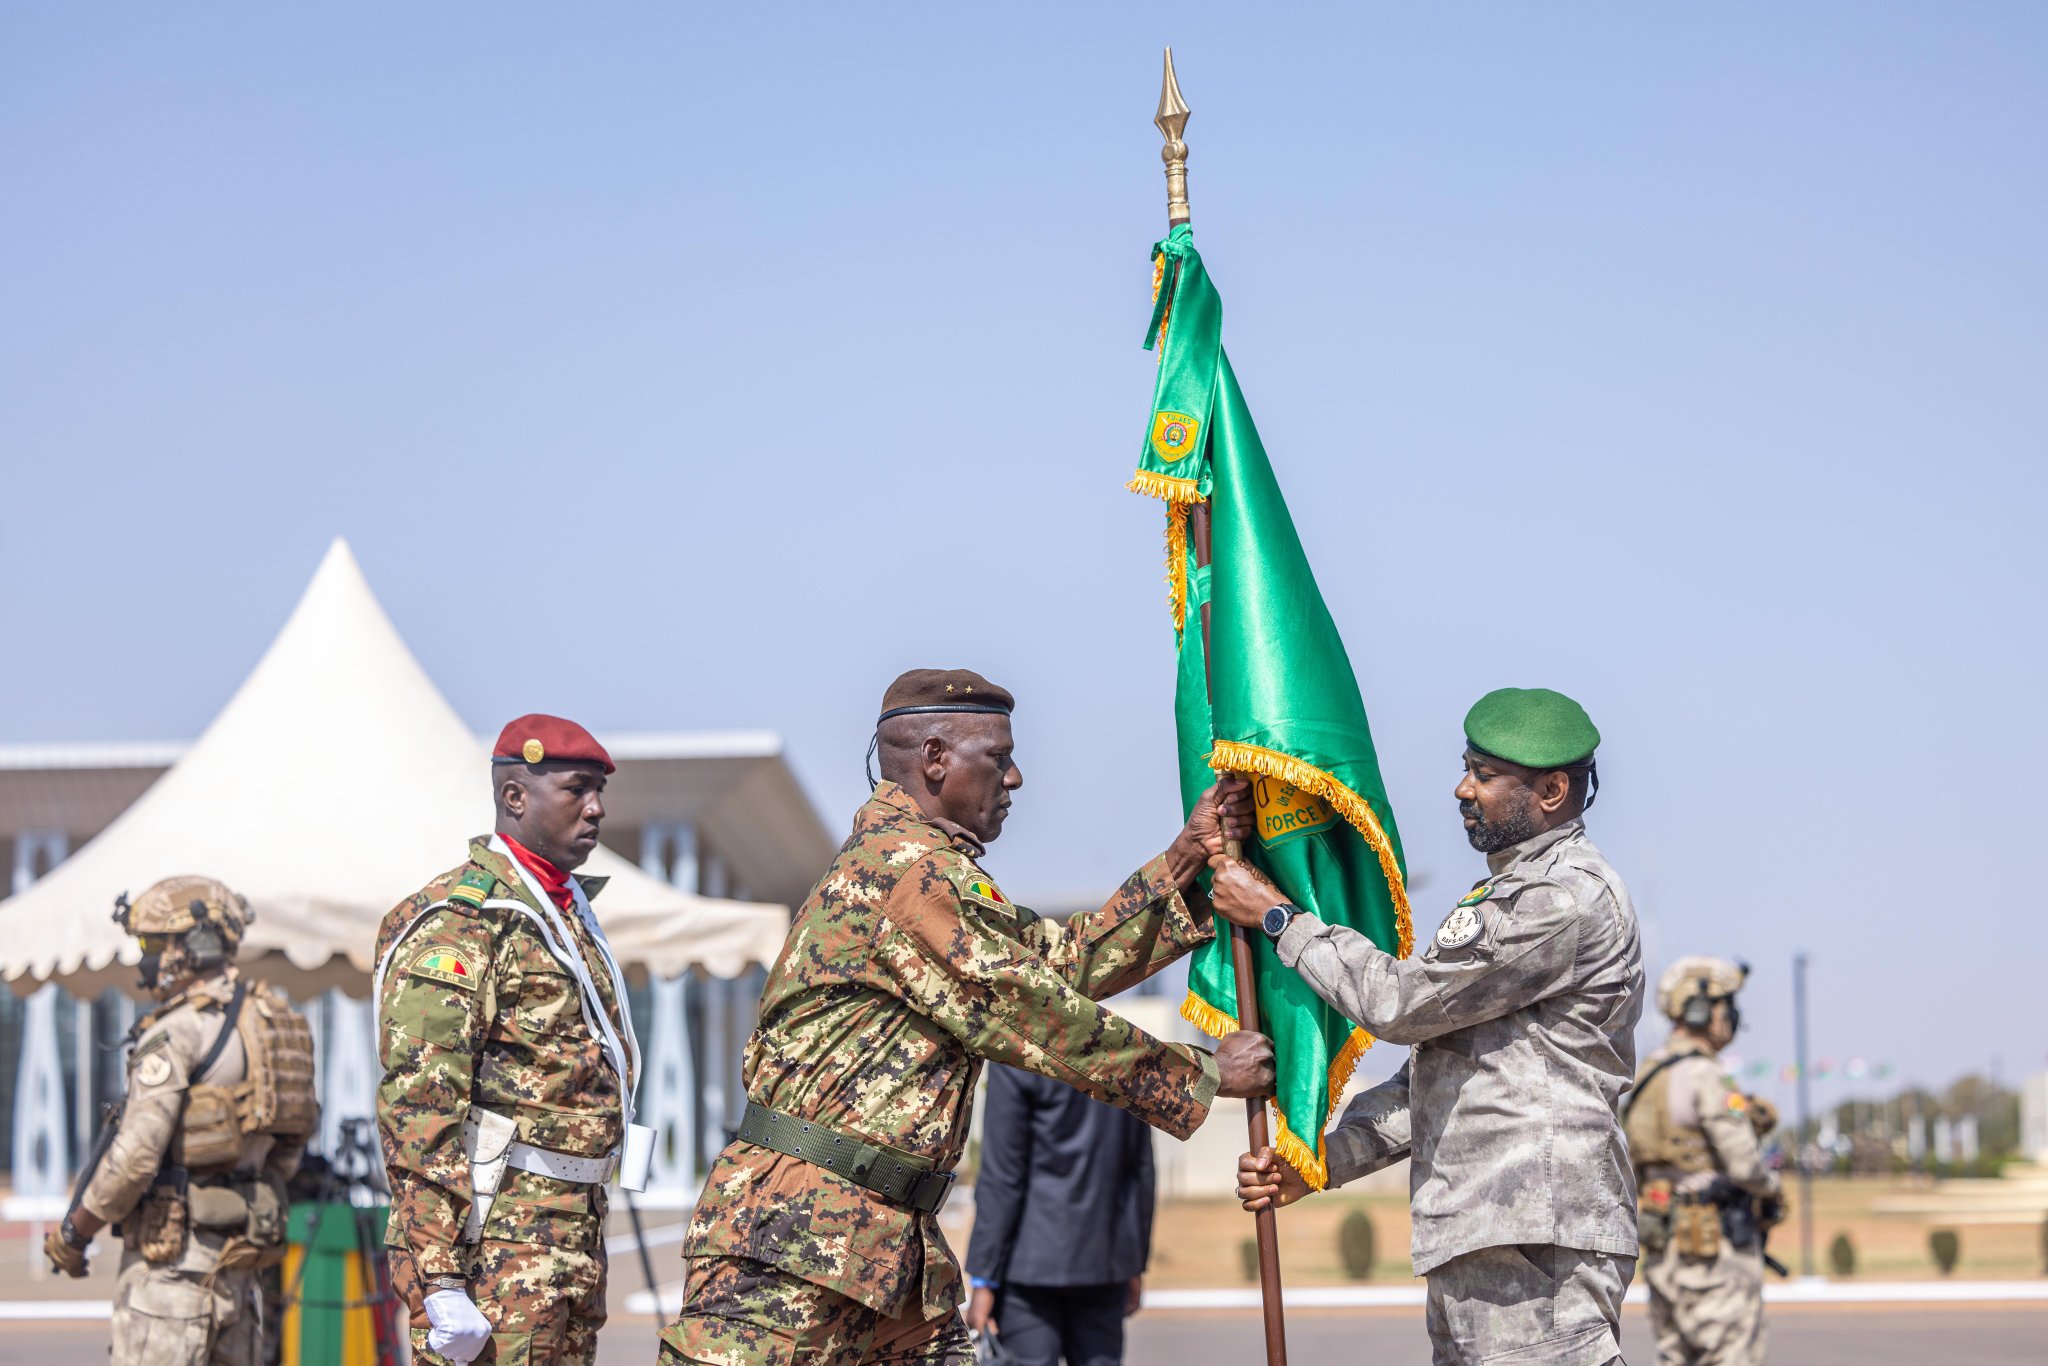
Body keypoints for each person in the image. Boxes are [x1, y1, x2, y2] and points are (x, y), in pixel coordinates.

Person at [662, 668, 1276, 1366]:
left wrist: (1185, 861)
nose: (1014, 778)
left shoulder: (921, 871)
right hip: (796, 1244)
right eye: (999, 757)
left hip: (875, 1243)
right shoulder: (911, 875)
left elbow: (1054, 967)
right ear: (935, 758)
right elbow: (1039, 1012)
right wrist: (1203, 1073)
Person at [1218, 687, 1644, 1366]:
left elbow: (1399, 1004)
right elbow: (1440, 1072)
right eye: (1467, 768)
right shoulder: (1512, 892)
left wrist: (1280, 919)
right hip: (1488, 1230)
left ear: (1552, 790)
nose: (1462, 789)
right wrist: (1323, 1162)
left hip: (1535, 1238)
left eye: (1485, 775)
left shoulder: (1560, 896)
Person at [376, 714, 645, 1365]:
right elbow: (419, 1107)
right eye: (577, 788)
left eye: (600, 791)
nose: (597, 808)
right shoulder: (464, 920)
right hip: (494, 1246)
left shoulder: (565, 912)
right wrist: (440, 1278)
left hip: (568, 1234)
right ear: (515, 796)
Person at [45, 876, 317, 1365]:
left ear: (192, 947)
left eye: (151, 946)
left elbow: (134, 1158)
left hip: (172, 1277)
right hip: (241, 1274)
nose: (146, 960)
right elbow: (290, 1149)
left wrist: (75, 1233)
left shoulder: (179, 1031)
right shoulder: (274, 1023)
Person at [1625, 957, 1783, 1366]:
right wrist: (1773, 1190)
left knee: (1676, 1356)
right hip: (1713, 1249)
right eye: (1725, 1006)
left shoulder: (1647, 1073)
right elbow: (1744, 1165)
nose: (1731, 1017)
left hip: (1663, 1245)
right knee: (1731, 1354)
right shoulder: (1705, 1074)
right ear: (1701, 1010)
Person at [963, 1065, 1156, 1366]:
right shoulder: (1127, 1054)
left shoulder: (1016, 1055)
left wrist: (984, 1279)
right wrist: (1135, 1262)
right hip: (1103, 1260)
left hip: (1028, 1267)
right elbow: (1139, 1168)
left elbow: (1002, 1177)